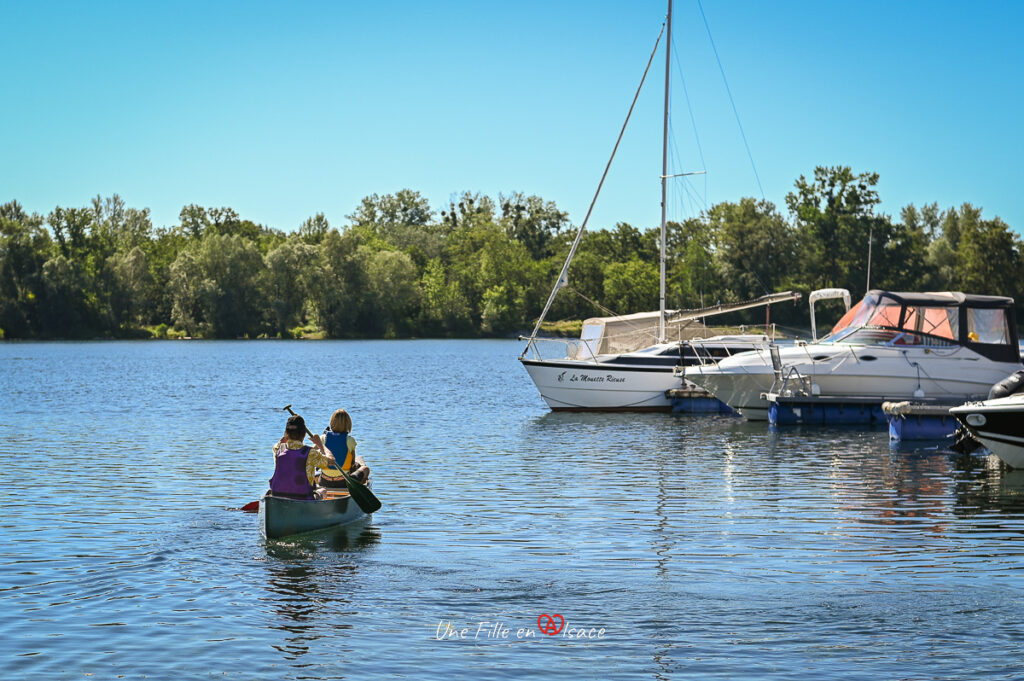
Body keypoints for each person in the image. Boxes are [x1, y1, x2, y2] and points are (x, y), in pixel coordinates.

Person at [269, 414, 338, 500]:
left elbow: (284, 445)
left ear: (286, 433)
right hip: (303, 498)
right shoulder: (311, 453)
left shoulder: (278, 449)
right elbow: (332, 461)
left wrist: (286, 436)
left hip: (278, 497)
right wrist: (320, 444)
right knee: (323, 490)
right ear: (304, 433)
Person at [319, 408, 370, 486]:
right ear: (348, 424)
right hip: (344, 482)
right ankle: (358, 487)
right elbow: (352, 462)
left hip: (324, 481)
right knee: (365, 469)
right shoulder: (350, 440)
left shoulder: (322, 438)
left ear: (332, 423)